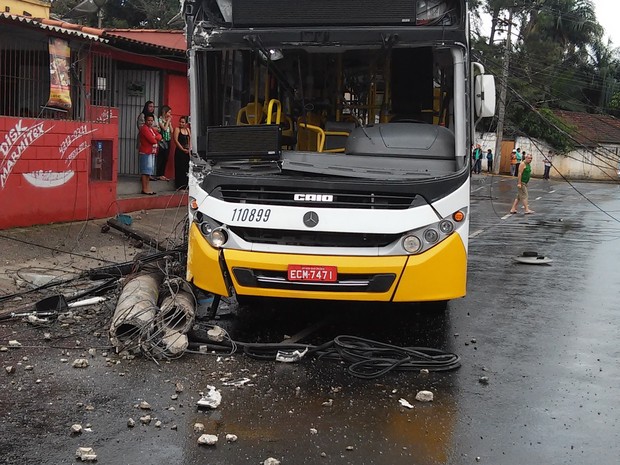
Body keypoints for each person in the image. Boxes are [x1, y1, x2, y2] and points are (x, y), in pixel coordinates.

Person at [138, 114, 162, 195]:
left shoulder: (151, 129)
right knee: (145, 171)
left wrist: (155, 137)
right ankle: (145, 188)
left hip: (151, 152)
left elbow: (160, 136)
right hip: (146, 152)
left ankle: (147, 188)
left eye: (152, 120)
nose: (150, 122)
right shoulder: (144, 129)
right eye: (149, 120)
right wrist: (155, 137)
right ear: (145, 120)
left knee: (148, 172)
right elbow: (153, 140)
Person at [173, 115, 191, 189]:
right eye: (180, 122)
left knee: (186, 168)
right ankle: (179, 186)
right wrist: (182, 149)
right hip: (179, 151)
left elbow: (189, 139)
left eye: (183, 122)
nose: (181, 124)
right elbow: (176, 140)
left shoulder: (187, 130)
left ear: (186, 123)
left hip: (186, 151)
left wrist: (189, 149)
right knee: (179, 168)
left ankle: (186, 185)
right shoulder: (177, 129)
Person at [155, 105, 172, 181]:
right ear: (165, 112)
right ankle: (159, 174)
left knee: (166, 157)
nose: (170, 114)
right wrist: (168, 121)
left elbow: (171, 130)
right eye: (169, 112)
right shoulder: (160, 119)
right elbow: (164, 129)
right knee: (161, 157)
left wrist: (169, 122)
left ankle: (163, 174)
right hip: (162, 140)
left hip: (168, 140)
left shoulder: (168, 120)